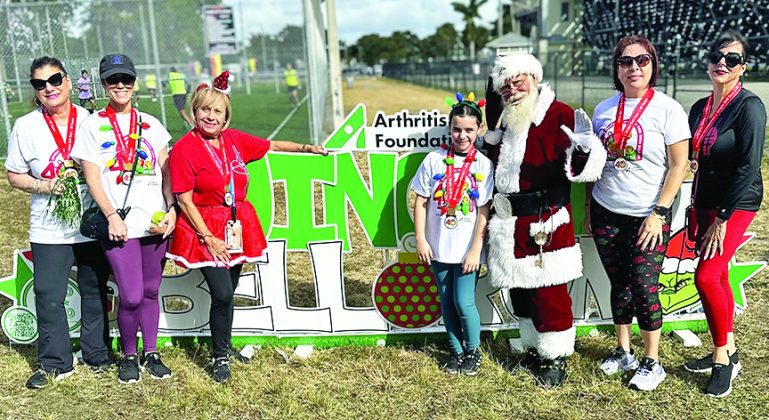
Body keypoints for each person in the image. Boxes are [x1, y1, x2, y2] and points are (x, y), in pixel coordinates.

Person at [166, 71, 328, 384]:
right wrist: (208, 238)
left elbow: (272, 145)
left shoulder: (235, 140)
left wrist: (308, 148)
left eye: (217, 111)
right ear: (195, 111)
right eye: (205, 110)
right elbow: (184, 200)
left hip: (236, 224)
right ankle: (219, 357)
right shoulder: (185, 148)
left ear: (226, 116)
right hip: (205, 226)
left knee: (229, 292)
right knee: (223, 294)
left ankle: (224, 348)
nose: (210, 116)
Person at [482, 53, 606, 387]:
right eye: (505, 85)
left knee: (548, 294)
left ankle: (555, 356)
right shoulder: (506, 119)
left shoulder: (558, 114)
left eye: (518, 80)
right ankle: (533, 346)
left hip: (544, 222)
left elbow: (583, 168)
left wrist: (583, 149)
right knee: (521, 293)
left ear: (534, 78)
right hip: (510, 222)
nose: (512, 89)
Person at [588, 35, 690, 391]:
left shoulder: (668, 109)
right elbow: (594, 164)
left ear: (652, 66)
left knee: (645, 287)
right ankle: (623, 351)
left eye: (642, 60)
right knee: (619, 284)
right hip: (606, 210)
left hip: (648, 215)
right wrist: (590, 206)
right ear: (616, 69)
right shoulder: (602, 109)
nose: (633, 67)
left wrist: (659, 213)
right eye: (625, 61)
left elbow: (679, 167)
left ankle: (652, 361)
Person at [6, 57, 112, 389]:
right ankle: (55, 362)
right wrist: (43, 185)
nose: (49, 88)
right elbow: (14, 175)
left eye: (54, 80)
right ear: (36, 91)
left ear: (68, 81)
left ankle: (96, 355)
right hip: (47, 225)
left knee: (94, 290)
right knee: (49, 294)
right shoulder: (25, 126)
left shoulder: (91, 120)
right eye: (40, 84)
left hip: (89, 220)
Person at [71, 53, 177, 385]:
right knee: (129, 295)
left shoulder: (152, 124)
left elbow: (166, 170)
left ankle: (151, 352)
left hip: (156, 222)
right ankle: (129, 355)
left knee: (149, 290)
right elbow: (93, 178)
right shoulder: (91, 125)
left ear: (134, 84)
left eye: (126, 80)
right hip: (119, 225)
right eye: (113, 80)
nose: (120, 85)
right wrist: (112, 216)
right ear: (103, 84)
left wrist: (173, 209)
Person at [683, 31, 766, 398]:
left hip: (736, 202)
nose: (723, 63)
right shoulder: (700, 107)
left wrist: (722, 217)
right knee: (715, 277)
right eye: (717, 56)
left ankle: (722, 359)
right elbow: (691, 158)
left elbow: (749, 166)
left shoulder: (749, 106)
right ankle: (729, 347)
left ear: (742, 68)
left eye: (732, 59)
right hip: (704, 199)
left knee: (707, 275)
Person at [411, 93, 494, 376]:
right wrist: (421, 238)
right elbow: (421, 201)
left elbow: (484, 210)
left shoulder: (483, 164)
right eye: (457, 129)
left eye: (469, 130)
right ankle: (456, 351)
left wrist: (475, 249)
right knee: (446, 300)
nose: (462, 135)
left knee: (463, 301)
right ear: (449, 128)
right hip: (437, 245)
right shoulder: (433, 160)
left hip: (466, 249)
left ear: (478, 130)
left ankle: (473, 351)